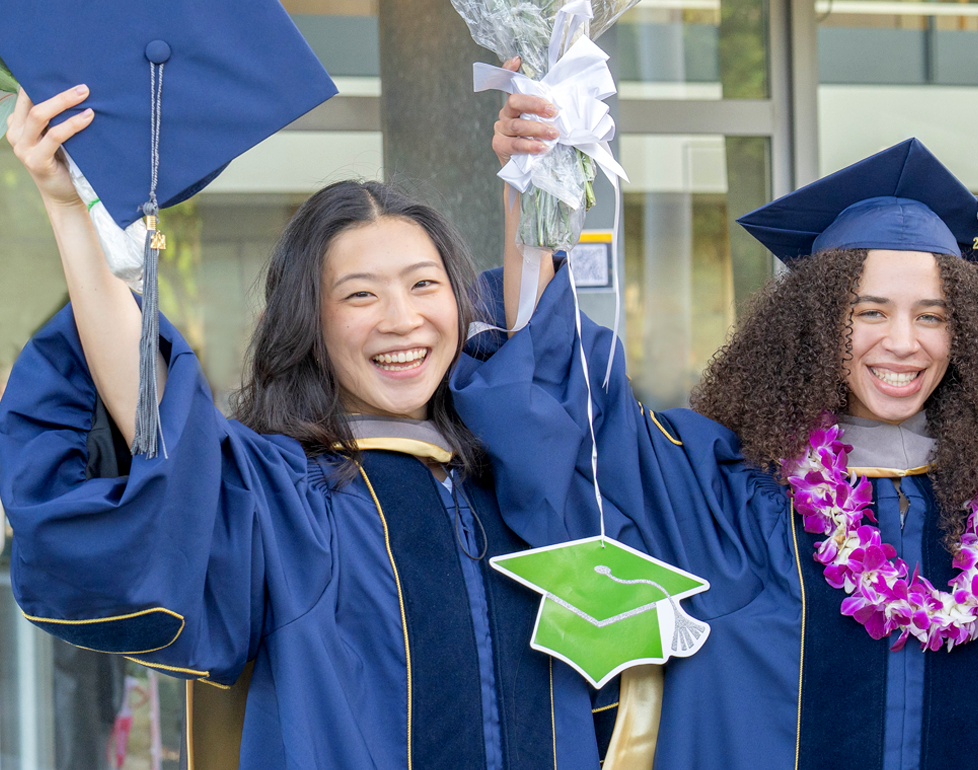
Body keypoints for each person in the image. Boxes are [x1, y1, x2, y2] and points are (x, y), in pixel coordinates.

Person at [0, 90, 606, 767]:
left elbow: (539, 352)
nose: (402, 319)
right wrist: (67, 207)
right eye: (360, 294)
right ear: (308, 324)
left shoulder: (517, 476)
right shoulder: (285, 502)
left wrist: (531, 169)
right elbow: (157, 412)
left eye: (423, 285)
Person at [457, 126, 978, 767]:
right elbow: (568, 414)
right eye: (869, 312)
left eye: (932, 315)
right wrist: (537, 186)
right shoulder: (722, 490)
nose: (902, 342)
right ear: (813, 322)